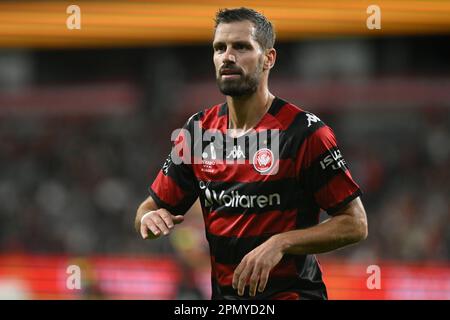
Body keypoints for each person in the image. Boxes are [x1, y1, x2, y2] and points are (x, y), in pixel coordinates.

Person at [135, 7, 368, 300]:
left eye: (241, 47)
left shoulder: (305, 133)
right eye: (220, 48)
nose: (228, 56)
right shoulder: (197, 131)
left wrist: (281, 243)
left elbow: (355, 223)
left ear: (269, 58)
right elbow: (148, 208)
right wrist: (149, 219)